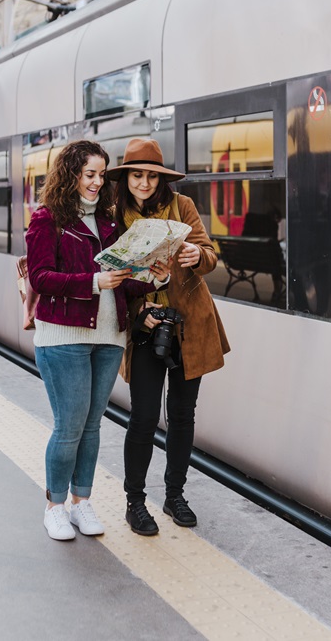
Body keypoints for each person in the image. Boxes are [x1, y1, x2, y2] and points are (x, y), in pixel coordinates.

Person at [26, 139, 169, 541]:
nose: (96, 182)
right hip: (63, 338)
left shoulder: (109, 223)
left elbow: (124, 283)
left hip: (109, 336)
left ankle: (81, 502)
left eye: (101, 175)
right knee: (69, 426)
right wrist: (92, 282)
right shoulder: (47, 219)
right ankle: (54, 507)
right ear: (70, 174)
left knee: (91, 426)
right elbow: (40, 277)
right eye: (89, 174)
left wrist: (157, 276)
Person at [109, 138, 230, 536]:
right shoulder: (112, 216)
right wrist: (134, 312)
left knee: (181, 415)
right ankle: (135, 501)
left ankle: (174, 495)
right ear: (125, 177)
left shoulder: (183, 207)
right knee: (143, 418)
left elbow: (209, 252)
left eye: (151, 176)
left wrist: (200, 257)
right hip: (145, 328)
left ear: (161, 178)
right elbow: (110, 280)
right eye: (136, 175)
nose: (144, 183)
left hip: (188, 324)